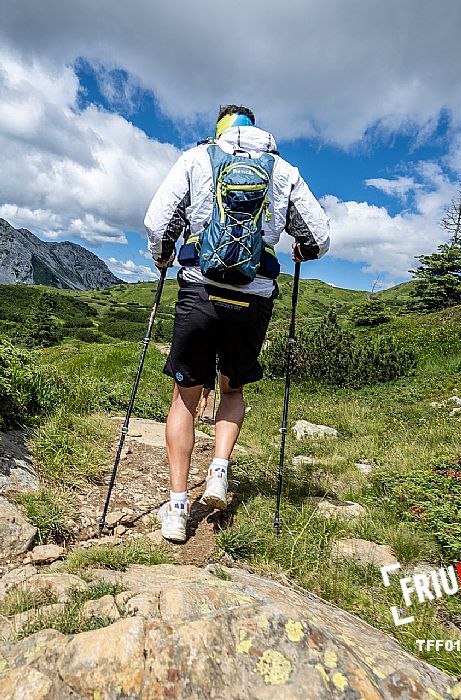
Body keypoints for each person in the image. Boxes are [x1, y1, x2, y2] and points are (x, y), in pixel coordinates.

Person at [143, 104, 331, 542]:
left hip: (200, 291)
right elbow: (318, 235)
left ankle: (175, 509)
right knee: (233, 388)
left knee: (185, 398)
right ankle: (219, 473)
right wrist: (302, 250)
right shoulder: (283, 170)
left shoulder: (196, 158)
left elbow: (157, 221)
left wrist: (163, 253)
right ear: (259, 130)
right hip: (253, 300)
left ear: (222, 129)